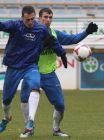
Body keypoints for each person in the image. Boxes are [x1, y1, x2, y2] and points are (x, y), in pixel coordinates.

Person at [20, 8, 98, 138]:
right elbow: (27, 53)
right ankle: (29, 128)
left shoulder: (54, 34)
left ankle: (56, 130)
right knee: (25, 99)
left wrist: (87, 32)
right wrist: (43, 45)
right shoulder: (31, 34)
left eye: (50, 17)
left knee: (60, 106)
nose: (48, 20)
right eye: (45, 17)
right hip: (32, 72)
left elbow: (73, 39)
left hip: (49, 74)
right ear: (39, 18)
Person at [0, 5, 67, 134]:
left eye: (32, 19)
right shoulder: (15, 25)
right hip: (14, 66)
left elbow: (53, 42)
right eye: (27, 20)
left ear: (35, 17)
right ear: (22, 18)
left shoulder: (41, 29)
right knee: (6, 99)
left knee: (34, 84)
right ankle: (6, 118)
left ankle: (30, 121)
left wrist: (62, 54)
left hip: (31, 65)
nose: (30, 22)